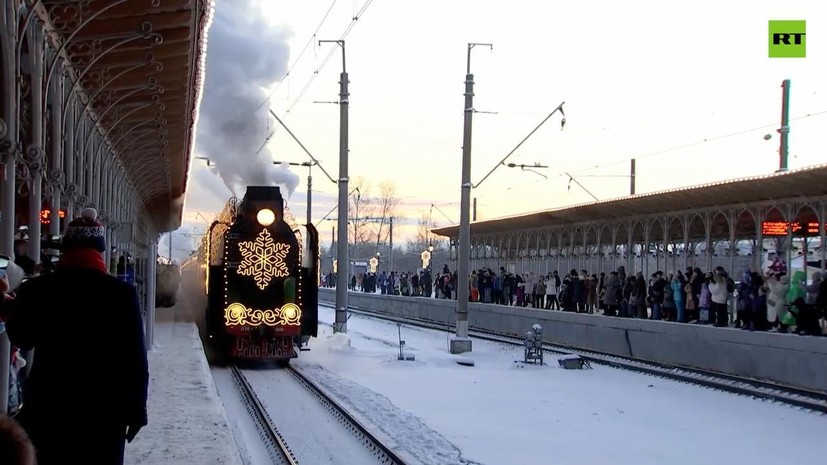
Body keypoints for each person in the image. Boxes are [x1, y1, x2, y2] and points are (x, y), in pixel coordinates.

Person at [2, 208, 149, 465]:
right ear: (100, 251)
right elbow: (134, 359)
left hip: (49, 410)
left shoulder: (39, 289)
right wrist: (136, 412)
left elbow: (23, 338)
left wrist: (9, 309)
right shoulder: (121, 295)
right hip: (104, 415)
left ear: (66, 248)